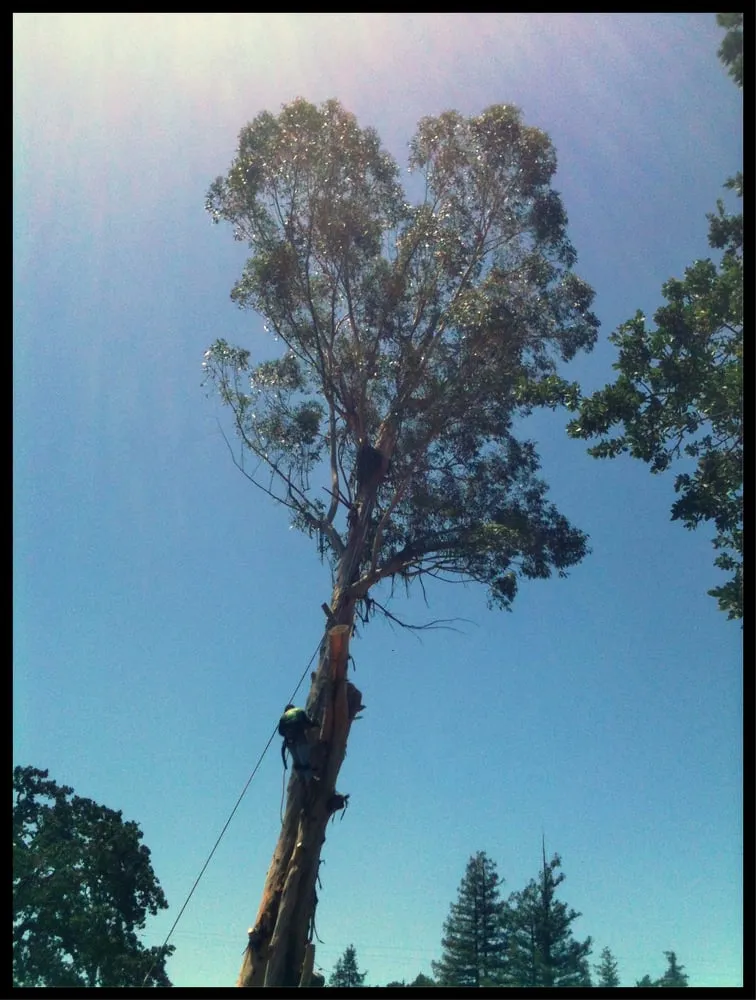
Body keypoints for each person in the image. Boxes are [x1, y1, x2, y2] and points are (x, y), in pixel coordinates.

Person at [278, 704, 319, 777]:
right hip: (300, 740)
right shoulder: (299, 711)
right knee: (305, 762)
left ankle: (301, 779)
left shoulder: (283, 717)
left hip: (290, 743)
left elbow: (280, 731)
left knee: (297, 763)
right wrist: (315, 724)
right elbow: (308, 722)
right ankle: (309, 781)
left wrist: (288, 735)